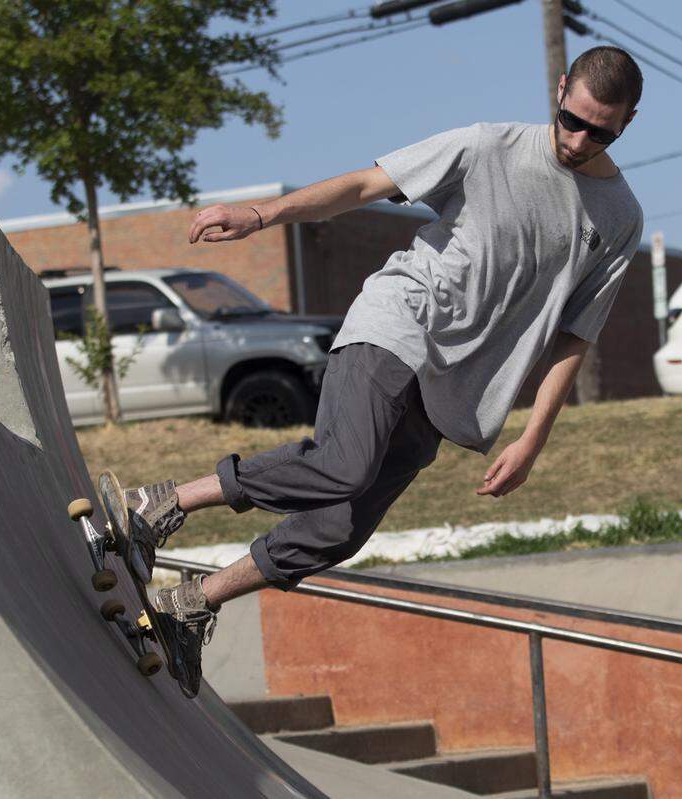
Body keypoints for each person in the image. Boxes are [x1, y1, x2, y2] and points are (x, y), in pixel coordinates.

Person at [130, 46, 644, 697]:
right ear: (561, 88)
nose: (576, 139)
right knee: (344, 463)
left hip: (454, 390)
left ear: (628, 122)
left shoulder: (620, 218)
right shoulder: (488, 146)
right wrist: (264, 214)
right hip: (398, 321)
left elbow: (575, 335)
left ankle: (191, 602)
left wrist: (533, 436)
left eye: (598, 130)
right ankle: (164, 501)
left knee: (339, 529)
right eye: (570, 118)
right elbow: (367, 184)